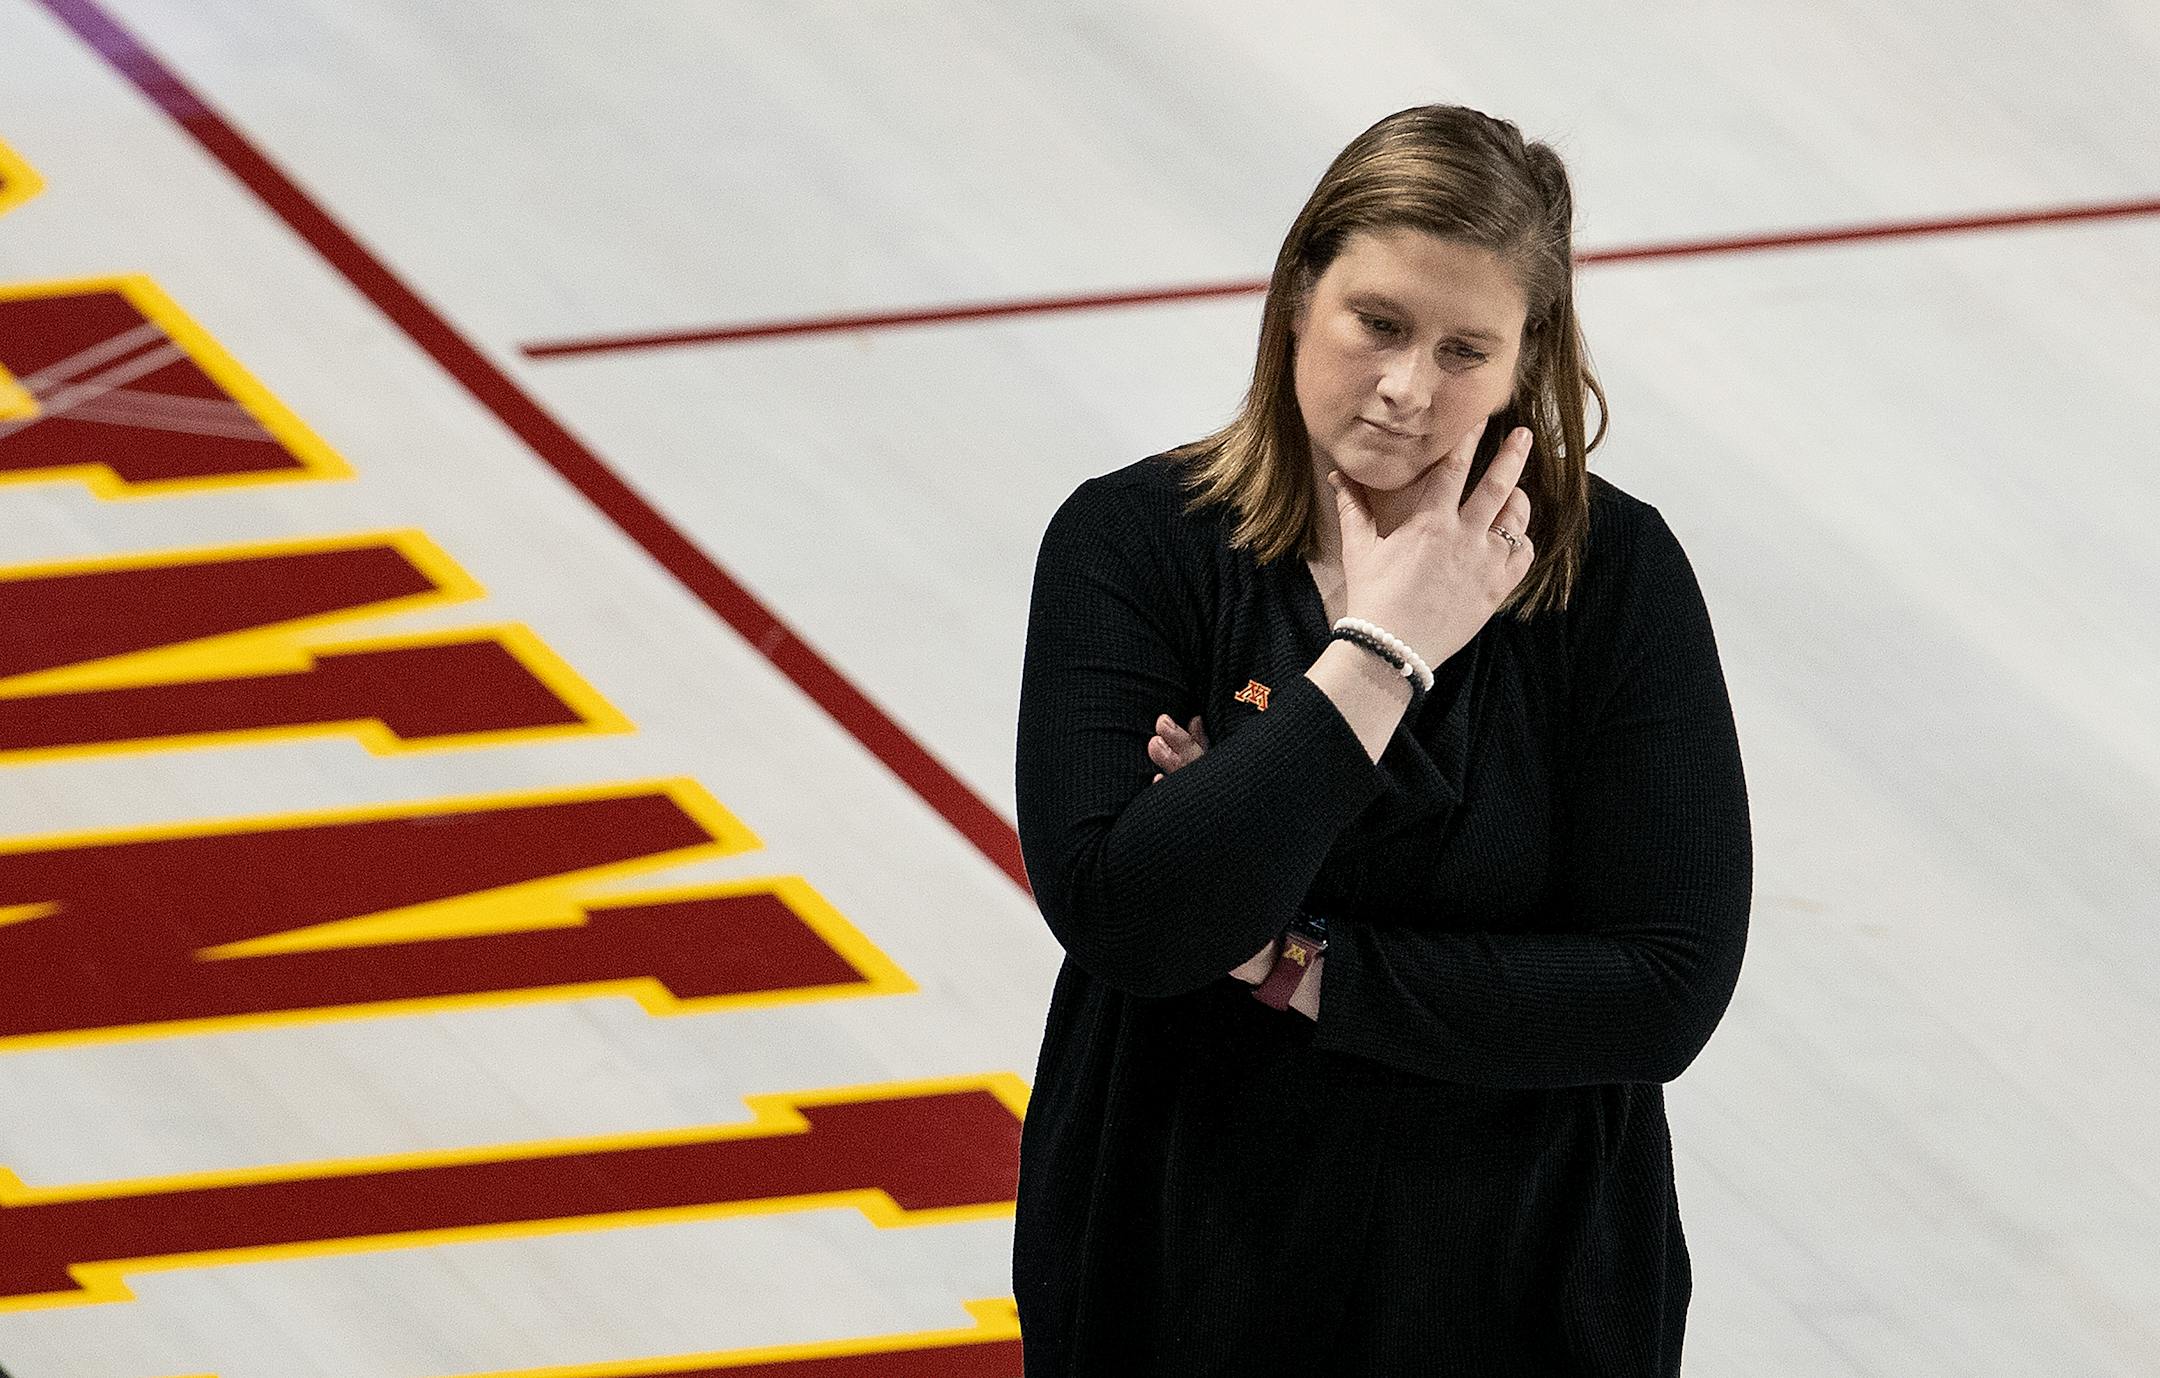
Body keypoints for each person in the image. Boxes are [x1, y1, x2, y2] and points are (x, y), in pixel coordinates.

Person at [1010, 104, 1752, 1376]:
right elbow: (1134, 919)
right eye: (1381, 323)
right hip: (1184, 1249)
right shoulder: (1135, 543)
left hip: (1517, 1274)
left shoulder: (1612, 576)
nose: (1410, 389)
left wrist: (1293, 958)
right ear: (1299, 295)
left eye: (1467, 349)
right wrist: (1382, 653)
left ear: (1530, 363)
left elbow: (1661, 990)